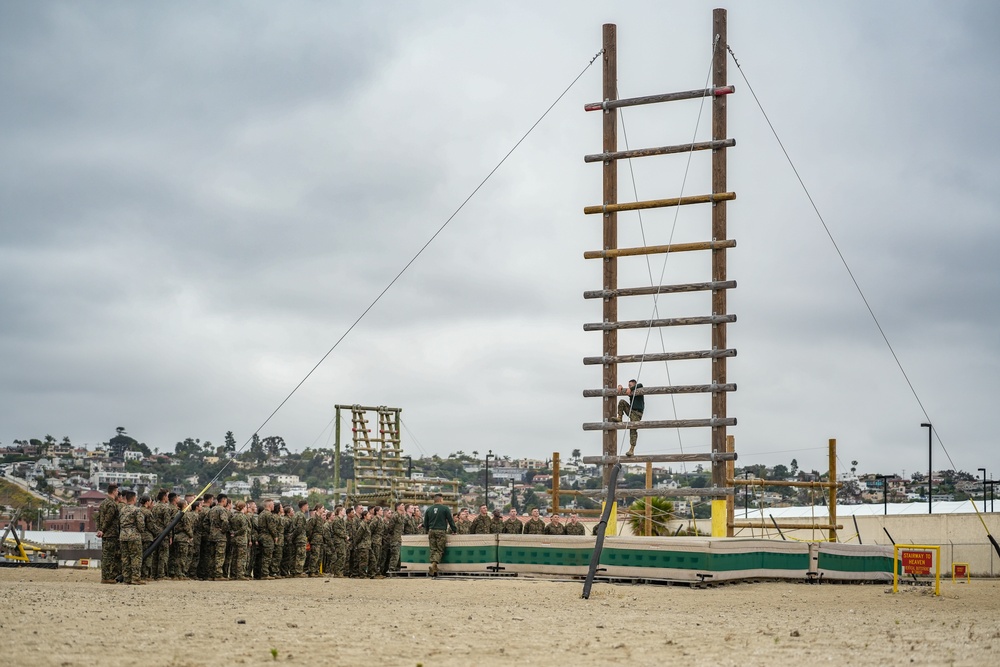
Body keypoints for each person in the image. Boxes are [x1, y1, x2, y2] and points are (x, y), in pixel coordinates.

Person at [423, 493, 457, 577]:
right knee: (439, 549)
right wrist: (454, 529)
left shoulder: (429, 509)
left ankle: (434, 568)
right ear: (441, 500)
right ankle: (433, 565)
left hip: (431, 530)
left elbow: (425, 522)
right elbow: (450, 520)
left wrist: (427, 530)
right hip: (440, 531)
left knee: (433, 549)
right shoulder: (445, 508)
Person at [610, 378, 644, 456]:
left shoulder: (639, 389)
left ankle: (631, 449)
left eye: (630, 385)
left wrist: (631, 388)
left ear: (634, 385)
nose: (629, 386)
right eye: (628, 385)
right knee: (622, 402)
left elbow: (640, 385)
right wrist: (619, 386)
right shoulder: (630, 390)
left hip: (637, 413)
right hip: (631, 410)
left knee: (632, 429)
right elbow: (622, 389)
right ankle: (619, 417)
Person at [117, 490, 144, 585]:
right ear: (133, 498)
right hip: (133, 535)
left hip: (123, 535)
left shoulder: (122, 510)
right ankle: (135, 578)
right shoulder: (136, 510)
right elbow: (141, 525)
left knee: (125, 558)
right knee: (136, 557)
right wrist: (141, 532)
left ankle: (126, 578)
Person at [96, 483, 121, 584]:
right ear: (114, 491)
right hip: (110, 533)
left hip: (105, 533)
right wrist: (103, 529)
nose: (118, 493)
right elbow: (108, 519)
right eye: (117, 491)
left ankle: (105, 576)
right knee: (110, 556)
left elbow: (98, 518)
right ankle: (107, 577)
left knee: (105, 555)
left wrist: (99, 529)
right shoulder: (112, 504)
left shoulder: (103, 503)